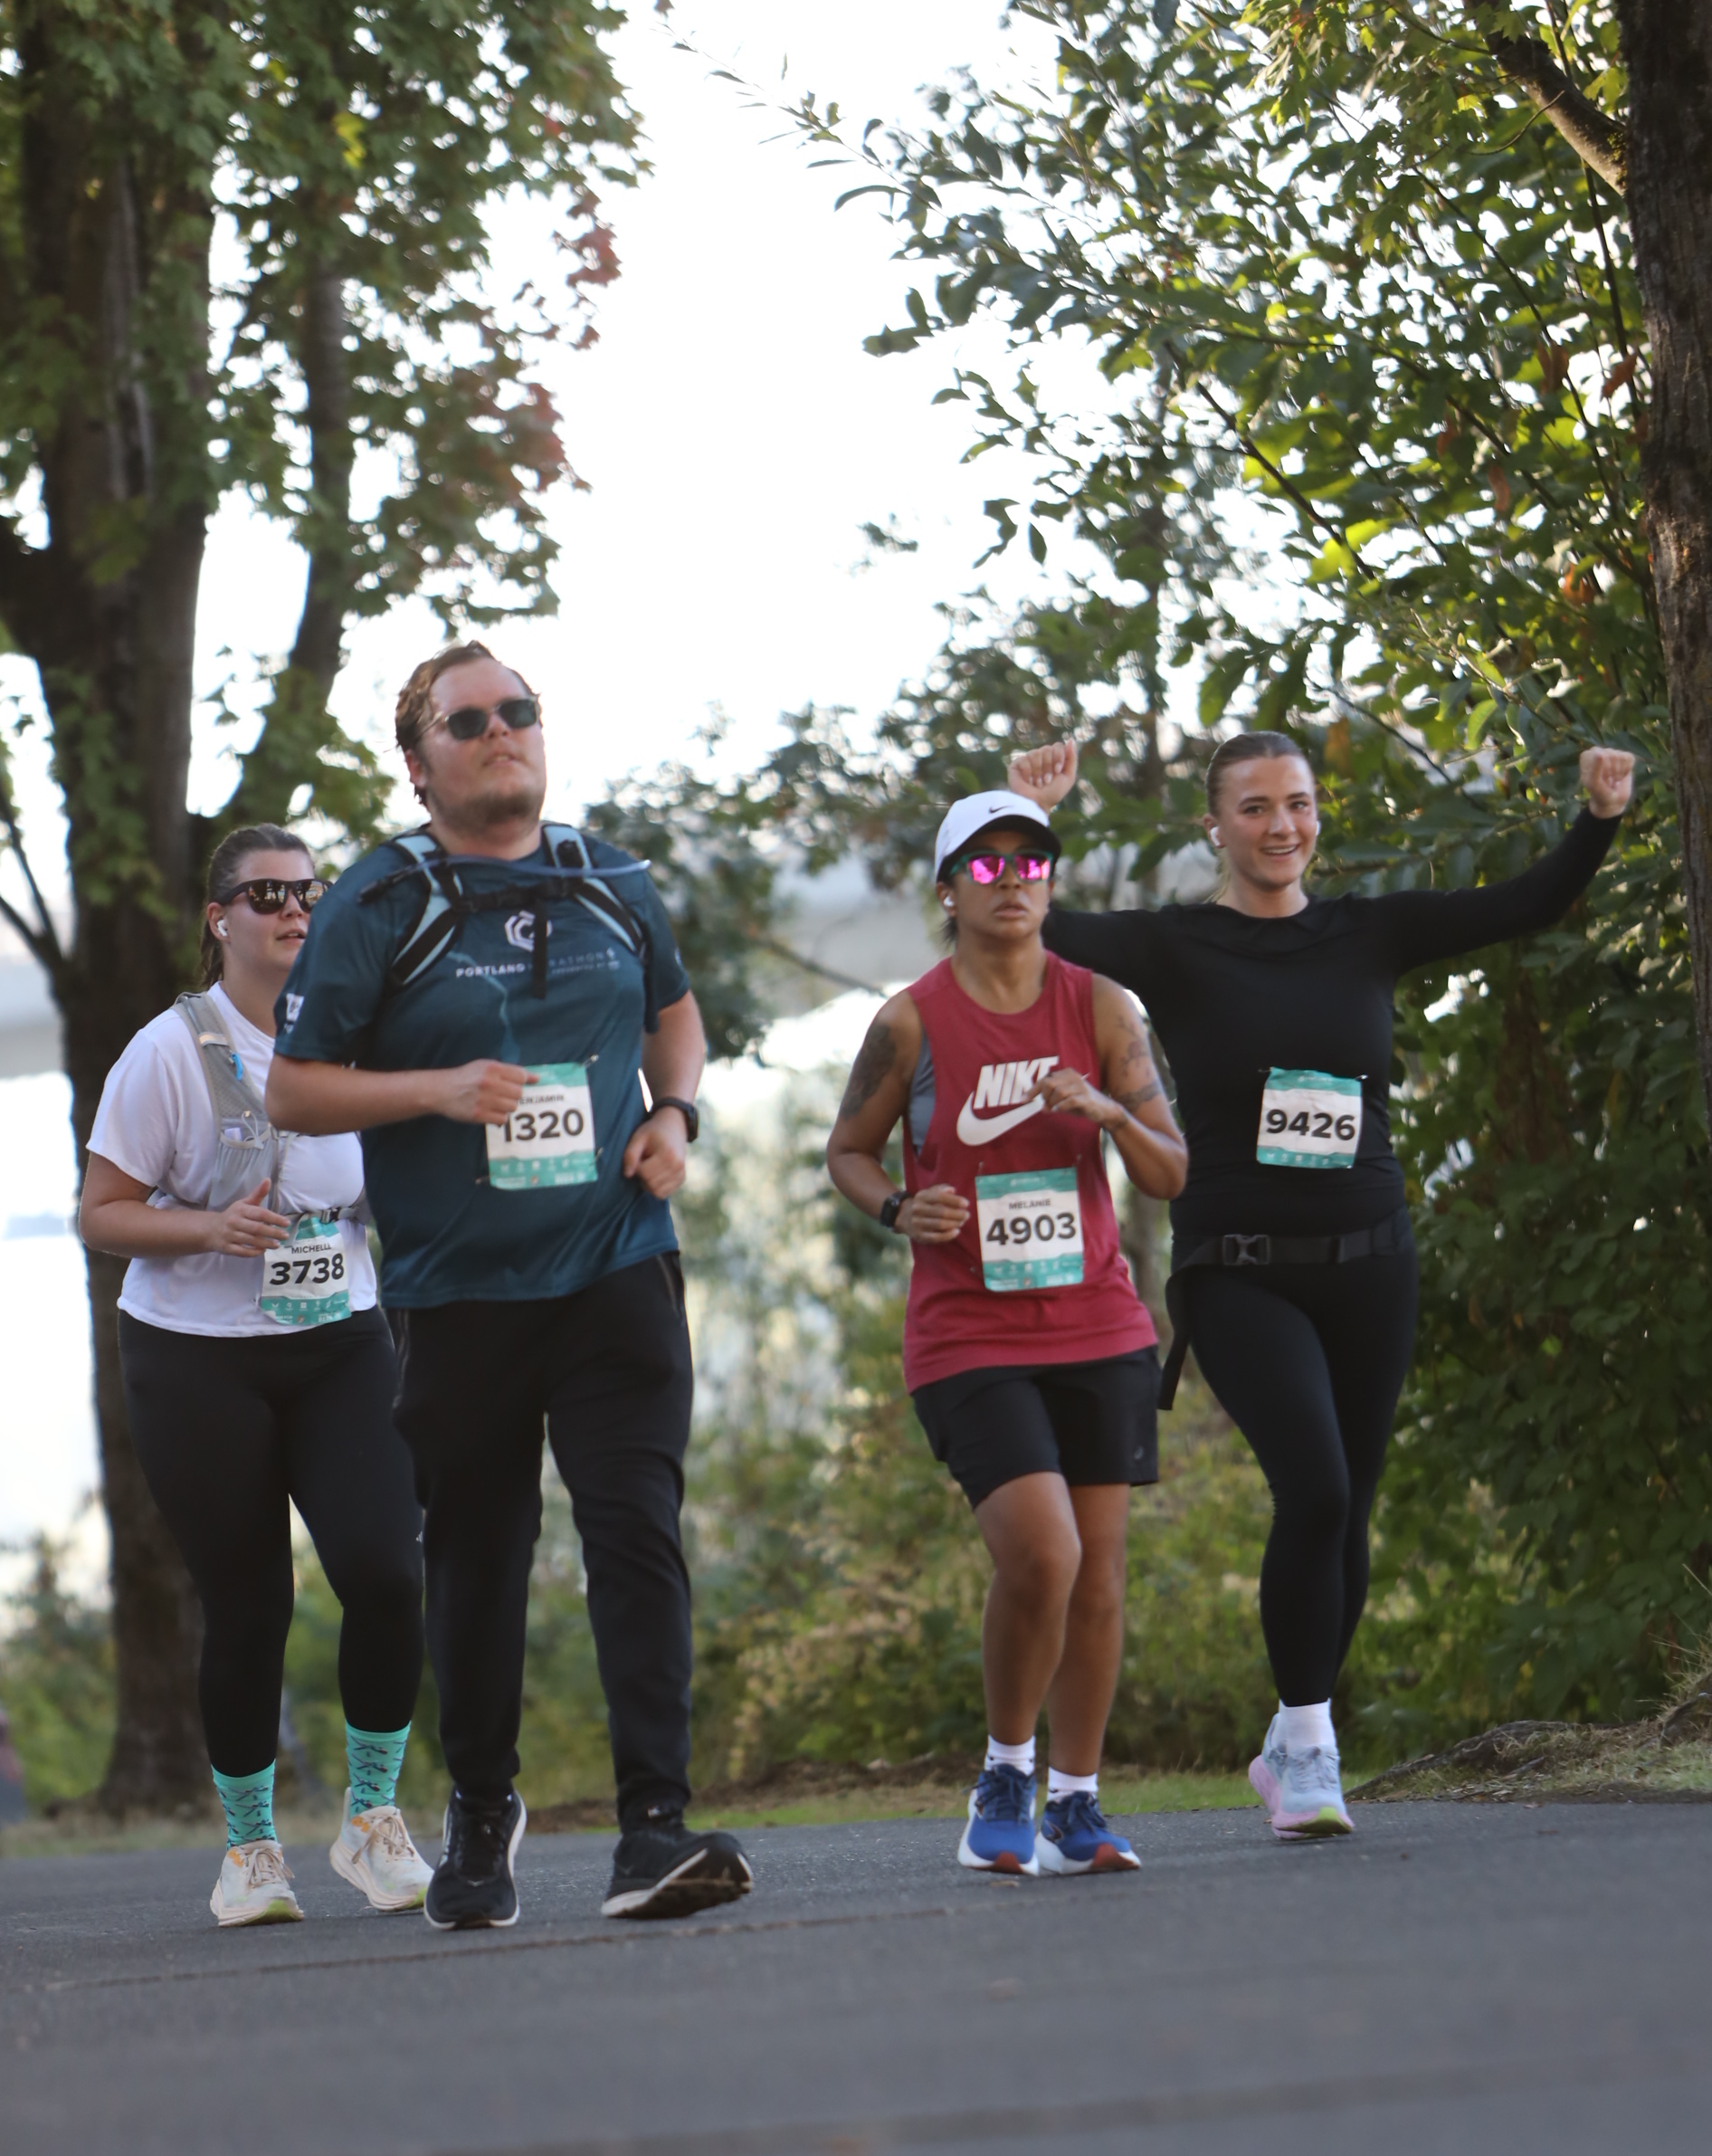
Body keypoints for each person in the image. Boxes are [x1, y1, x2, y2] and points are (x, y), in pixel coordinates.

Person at [1012, 730, 1637, 1839]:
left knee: (1349, 1504)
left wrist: (1597, 818)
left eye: (1296, 804)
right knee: (1314, 1489)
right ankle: (1308, 1746)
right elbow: (1039, 923)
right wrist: (1033, 818)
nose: (1280, 826)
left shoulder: (1368, 931)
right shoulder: (1176, 946)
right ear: (1215, 826)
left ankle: (1291, 1738)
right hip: (1239, 1269)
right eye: (1254, 807)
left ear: (1316, 816)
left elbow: (1525, 904)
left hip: (1370, 1263)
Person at [264, 642, 751, 1932]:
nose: (499, 731)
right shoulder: (379, 898)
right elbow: (294, 1089)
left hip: (615, 1266)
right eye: (466, 719)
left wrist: (676, 1116)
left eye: (517, 711)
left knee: (635, 1532)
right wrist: (434, 1090)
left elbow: (675, 1017)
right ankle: (482, 1809)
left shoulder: (610, 877)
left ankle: (653, 1828)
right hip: (459, 1294)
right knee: (479, 1558)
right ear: (418, 763)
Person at [825, 787, 1187, 1875]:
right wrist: (897, 1206)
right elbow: (847, 1152)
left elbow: (1169, 1174)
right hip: (968, 1333)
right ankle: (1004, 1770)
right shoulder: (909, 1022)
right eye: (985, 866)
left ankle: (1074, 1806)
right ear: (948, 891)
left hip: (1097, 1322)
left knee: (1099, 1576)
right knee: (1043, 1553)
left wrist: (1110, 1114)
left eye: (1029, 863)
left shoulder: (1101, 1007)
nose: (1011, 882)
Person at [79, 826, 430, 1927]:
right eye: (265, 894)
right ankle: (250, 1850)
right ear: (219, 918)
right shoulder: (166, 1053)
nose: (292, 910)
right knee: (248, 1604)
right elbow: (101, 1215)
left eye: (308, 892)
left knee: (386, 1571)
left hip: (340, 1340)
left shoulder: (359, 1040)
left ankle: (371, 1820)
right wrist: (205, 1227)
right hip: (195, 1358)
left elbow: (389, 1186)